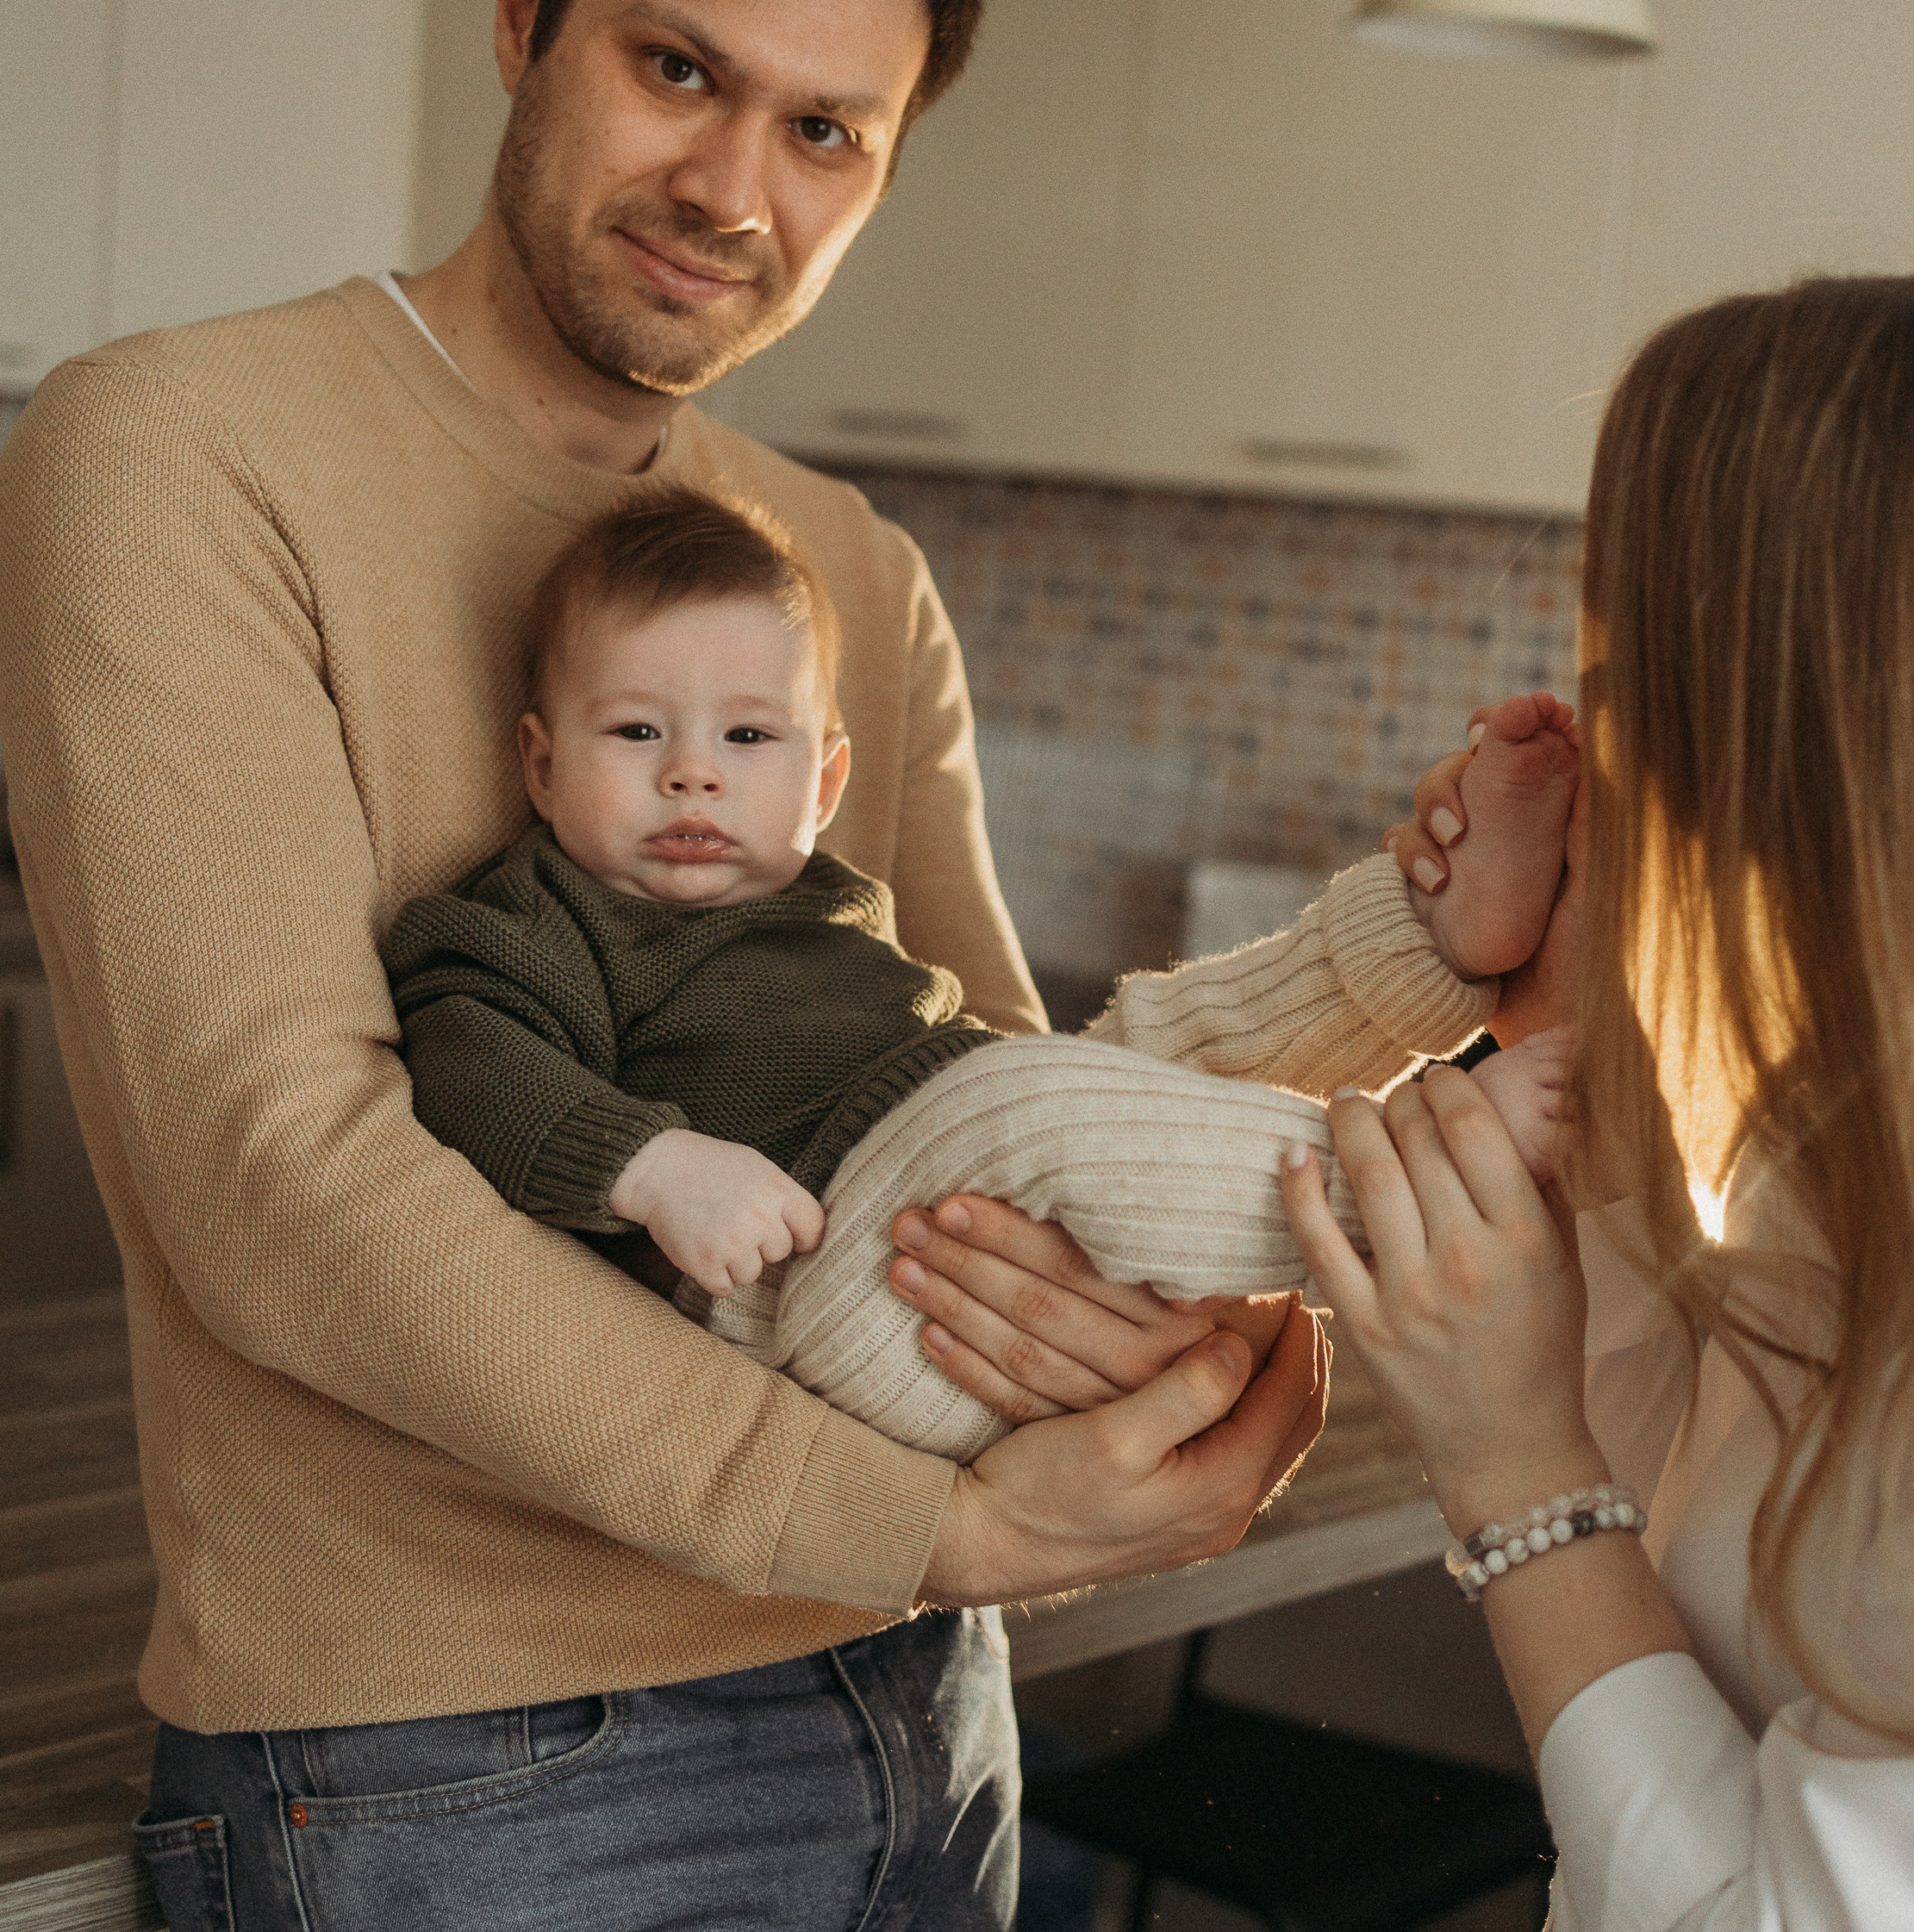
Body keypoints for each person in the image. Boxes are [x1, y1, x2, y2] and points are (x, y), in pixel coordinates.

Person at [0, 0, 1492, 1932]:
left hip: (908, 1727)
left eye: (831, 127)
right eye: (679, 69)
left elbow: (981, 1109)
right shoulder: (169, 451)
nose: (737, 188)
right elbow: (283, 1185)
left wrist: (1381, 1012)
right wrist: (927, 1511)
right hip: (465, 1769)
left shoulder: (850, 567)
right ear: (527, 10)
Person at [1284, 269, 1914, 1932]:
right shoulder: (1872, 1132)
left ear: (1825, 721)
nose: (1591, 722)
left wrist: (1506, 1469)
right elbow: (1703, 1529)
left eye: (1642, 669)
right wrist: (1565, 1012)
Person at [381, 480, 1578, 1459]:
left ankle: (1426, 948)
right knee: (1026, 1102)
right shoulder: (537, 919)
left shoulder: (827, 909)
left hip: (951, 1211)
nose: (693, 774)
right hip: (808, 1307)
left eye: (747, 737)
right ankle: (1431, 1169)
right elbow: (464, 1058)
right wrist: (651, 1171)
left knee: (1145, 1047)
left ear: (825, 783)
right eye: (637, 732)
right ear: (539, 768)